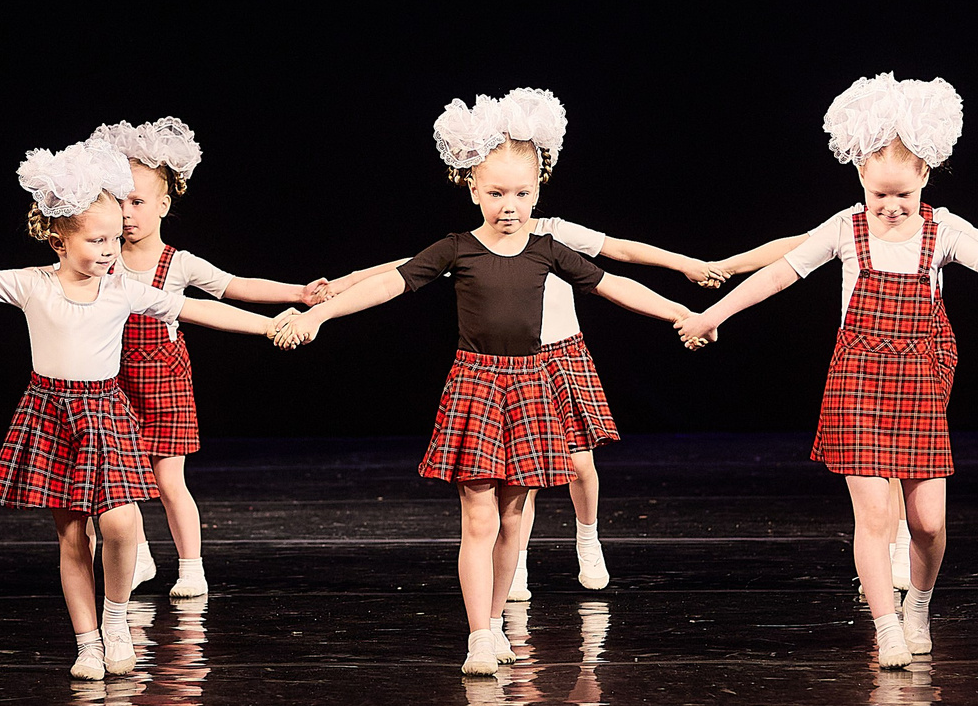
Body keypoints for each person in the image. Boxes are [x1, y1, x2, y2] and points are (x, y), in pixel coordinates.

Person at [678, 74, 978, 668]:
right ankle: (886, 626)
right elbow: (779, 272)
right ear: (860, 176)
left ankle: (918, 602)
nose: (890, 208)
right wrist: (717, 313)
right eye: (879, 195)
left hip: (919, 380)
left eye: (903, 198)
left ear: (925, 180)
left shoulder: (943, 232)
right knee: (875, 514)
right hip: (857, 381)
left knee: (929, 523)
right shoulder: (844, 229)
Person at [273, 92, 702, 673]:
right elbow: (389, 284)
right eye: (496, 193)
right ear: (472, 186)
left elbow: (616, 285)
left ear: (539, 190)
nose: (509, 205)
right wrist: (319, 314)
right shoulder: (457, 249)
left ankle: (497, 620)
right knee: (478, 515)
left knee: (515, 517)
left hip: (531, 387)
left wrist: (681, 312)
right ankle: (479, 633)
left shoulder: (550, 251)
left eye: (522, 194)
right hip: (477, 385)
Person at [0, 135, 281, 680]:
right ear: (58, 240)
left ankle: (117, 617)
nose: (108, 251)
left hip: (105, 413)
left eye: (113, 241)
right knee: (75, 535)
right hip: (51, 414)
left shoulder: (122, 289)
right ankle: (87, 641)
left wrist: (271, 324)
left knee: (122, 524)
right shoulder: (32, 286)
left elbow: (195, 308)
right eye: (97, 241)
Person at [94, 114, 331, 598]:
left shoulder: (177, 262)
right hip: (111, 377)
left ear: (163, 203)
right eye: (120, 202)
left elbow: (235, 286)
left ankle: (191, 566)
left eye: (137, 202)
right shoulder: (100, 256)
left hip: (162, 377)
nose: (127, 213)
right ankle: (136, 557)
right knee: (117, 480)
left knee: (167, 479)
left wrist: (300, 294)